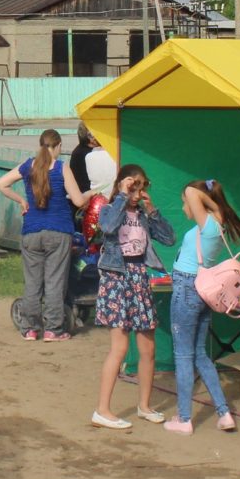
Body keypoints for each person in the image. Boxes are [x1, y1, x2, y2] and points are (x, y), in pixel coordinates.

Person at [90, 166, 177, 430]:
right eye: (134, 186)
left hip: (139, 275)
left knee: (148, 348)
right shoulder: (110, 207)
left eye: (141, 187)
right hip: (117, 276)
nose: (138, 193)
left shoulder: (141, 213)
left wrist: (152, 211)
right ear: (122, 184)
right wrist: (121, 195)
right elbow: (107, 226)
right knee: (120, 348)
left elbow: (169, 239)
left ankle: (145, 406)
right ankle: (102, 410)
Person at [165, 179, 240, 435]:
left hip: (187, 288)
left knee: (183, 355)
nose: (184, 207)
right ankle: (224, 413)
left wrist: (204, 198)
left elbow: (190, 191)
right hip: (202, 290)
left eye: (185, 203)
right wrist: (213, 202)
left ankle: (184, 418)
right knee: (200, 354)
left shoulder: (208, 222)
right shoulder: (218, 219)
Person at [0, 130, 86, 341]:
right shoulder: (62, 168)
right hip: (59, 231)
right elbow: (78, 201)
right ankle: (53, 329)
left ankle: (29, 328)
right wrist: (89, 195)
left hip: (31, 231)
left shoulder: (29, 166)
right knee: (55, 281)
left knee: (33, 282)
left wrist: (21, 200)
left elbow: (0, 184)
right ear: (58, 146)